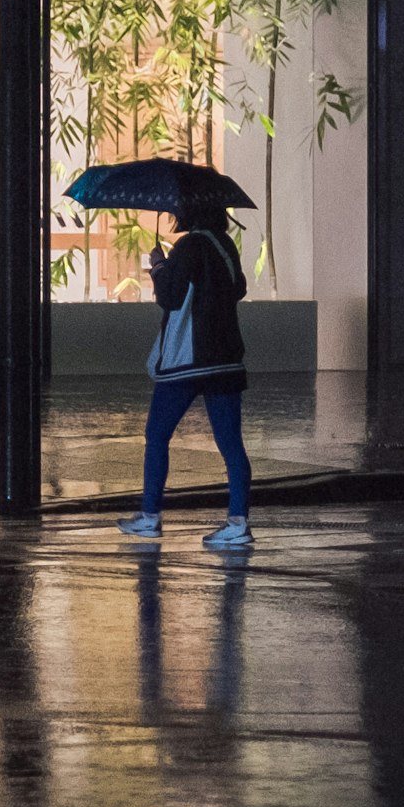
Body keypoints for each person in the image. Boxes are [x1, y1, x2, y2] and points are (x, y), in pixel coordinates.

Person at [121, 198, 251, 550]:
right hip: (225, 358)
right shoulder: (223, 244)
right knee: (231, 443)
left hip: (188, 360)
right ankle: (238, 522)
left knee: (157, 433)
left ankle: (150, 517)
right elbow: (238, 288)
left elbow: (171, 296)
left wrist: (159, 265)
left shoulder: (189, 244)